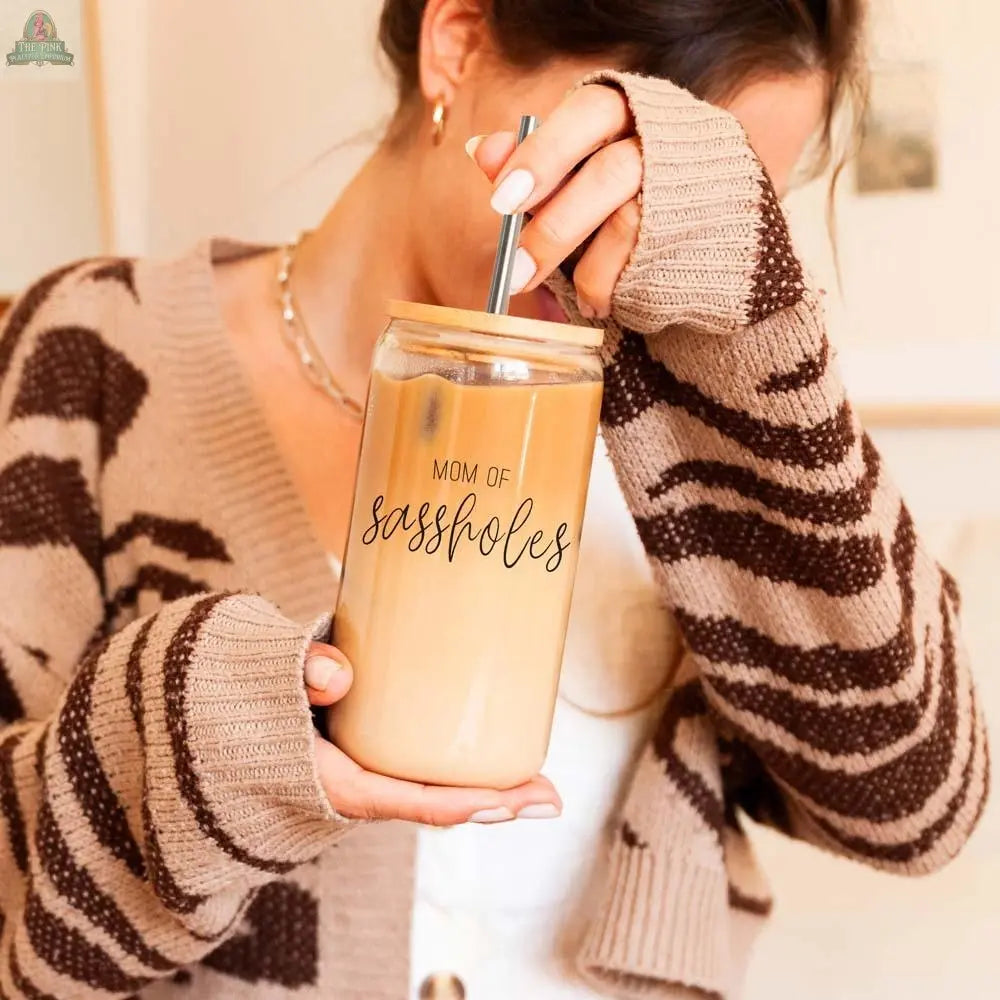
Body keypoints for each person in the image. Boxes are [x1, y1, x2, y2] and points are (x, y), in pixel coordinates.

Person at [0, 1, 987, 998]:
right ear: (457, 41)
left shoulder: (695, 433)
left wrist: (745, 324)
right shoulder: (94, 355)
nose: (621, 266)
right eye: (606, 168)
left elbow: (916, 804)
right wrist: (191, 749)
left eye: (690, 212)